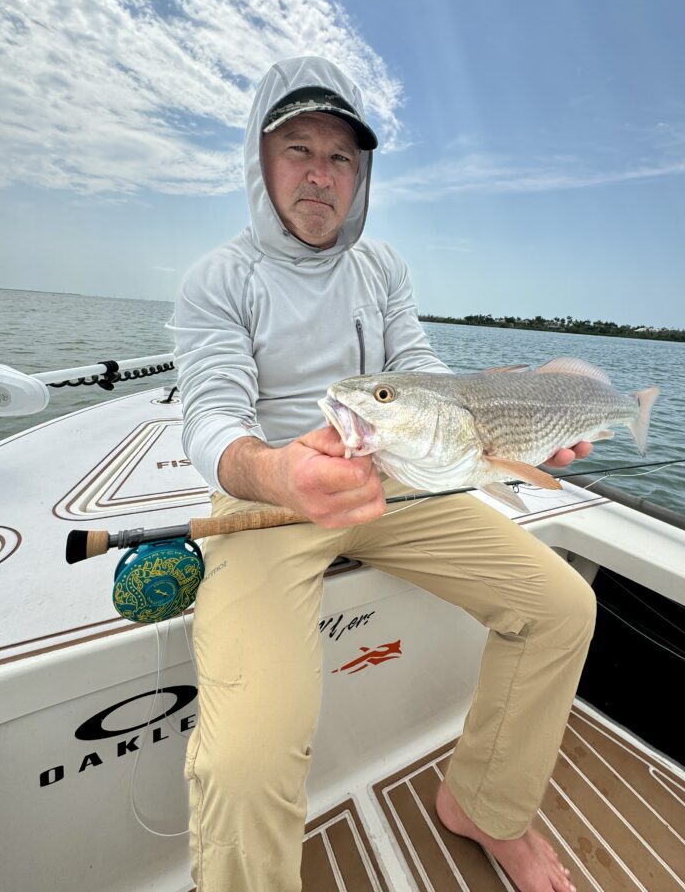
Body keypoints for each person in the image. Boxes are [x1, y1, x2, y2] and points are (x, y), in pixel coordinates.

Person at [171, 55, 595, 892]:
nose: (320, 175)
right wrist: (277, 471)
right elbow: (211, 418)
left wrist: (515, 424)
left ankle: (485, 804)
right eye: (298, 149)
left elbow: (422, 367)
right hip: (270, 497)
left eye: (341, 157)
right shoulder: (217, 280)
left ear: (362, 174)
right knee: (246, 760)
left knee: (562, 607)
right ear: (260, 159)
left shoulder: (383, 267)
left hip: (396, 477)